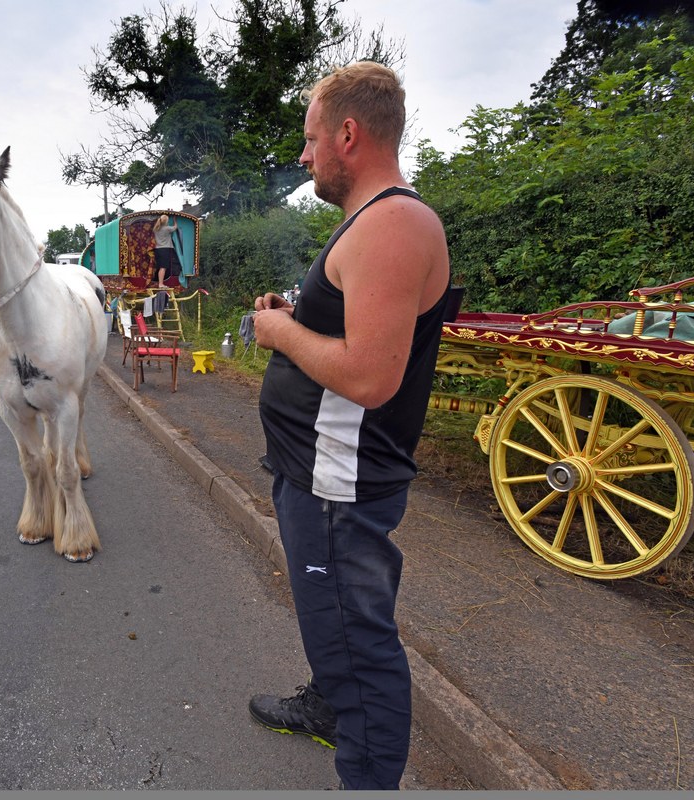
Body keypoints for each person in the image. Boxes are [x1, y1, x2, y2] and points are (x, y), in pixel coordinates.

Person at [248, 62, 451, 789]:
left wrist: (277, 335)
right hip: (318, 474)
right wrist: (294, 316)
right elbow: (353, 328)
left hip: (338, 485)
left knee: (359, 645)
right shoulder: (371, 222)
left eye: (309, 140)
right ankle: (329, 707)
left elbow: (370, 376)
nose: (304, 157)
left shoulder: (393, 222)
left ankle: (367, 774)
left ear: (347, 132)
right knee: (335, 628)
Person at [151, 213, 180, 288]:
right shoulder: (167, 228)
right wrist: (174, 220)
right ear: (166, 221)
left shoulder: (156, 228)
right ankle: (161, 284)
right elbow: (175, 227)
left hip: (157, 249)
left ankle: (158, 282)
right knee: (163, 267)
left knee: (160, 267)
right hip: (165, 249)